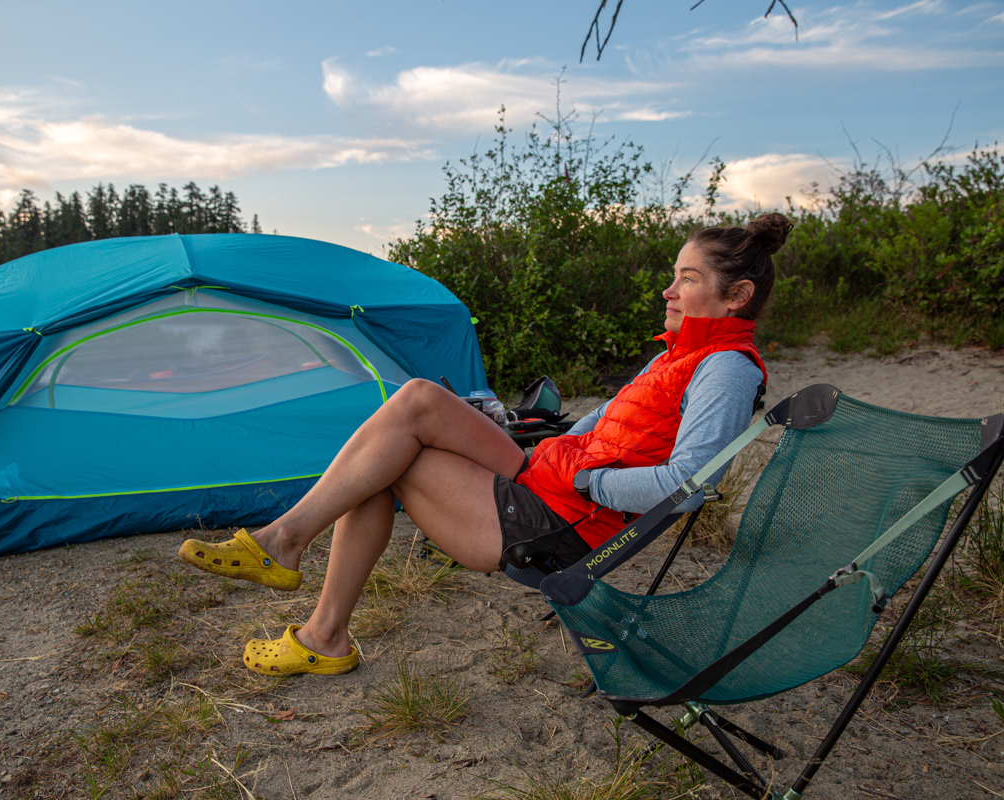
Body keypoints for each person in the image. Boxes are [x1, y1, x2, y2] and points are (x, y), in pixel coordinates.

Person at [179, 213, 793, 676]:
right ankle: (300, 585)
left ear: (735, 297)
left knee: (392, 457)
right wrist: (546, 440)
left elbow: (688, 486)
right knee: (417, 400)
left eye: (687, 280)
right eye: (674, 277)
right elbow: (600, 422)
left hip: (564, 524)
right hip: (551, 477)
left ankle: (303, 588)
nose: (669, 291)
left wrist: (586, 480)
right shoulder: (683, 354)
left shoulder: (727, 369)